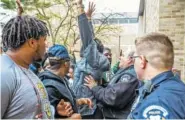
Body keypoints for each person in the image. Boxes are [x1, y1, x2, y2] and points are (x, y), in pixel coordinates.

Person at [1, 0, 67, 119]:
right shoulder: (4, 73)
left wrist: (53, 112)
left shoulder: (26, 70)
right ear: (32, 43)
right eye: (44, 40)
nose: (46, 45)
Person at [128, 33, 185, 119]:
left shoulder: (157, 103)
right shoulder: (177, 86)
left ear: (142, 61)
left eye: (134, 58)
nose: (133, 62)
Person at [72, 1, 110, 118]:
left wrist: (80, 10)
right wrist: (88, 19)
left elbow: (88, 40)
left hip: (89, 111)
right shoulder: (90, 60)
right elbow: (90, 40)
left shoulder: (94, 61)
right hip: (82, 107)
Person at [38, 44, 92, 119]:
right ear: (66, 63)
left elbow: (64, 104)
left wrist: (80, 101)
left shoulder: (61, 79)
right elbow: (46, 117)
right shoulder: (49, 87)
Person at [85, 50, 140, 119]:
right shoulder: (122, 71)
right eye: (106, 55)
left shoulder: (129, 76)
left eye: (122, 55)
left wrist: (95, 87)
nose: (119, 57)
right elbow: (110, 85)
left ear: (129, 59)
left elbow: (113, 97)